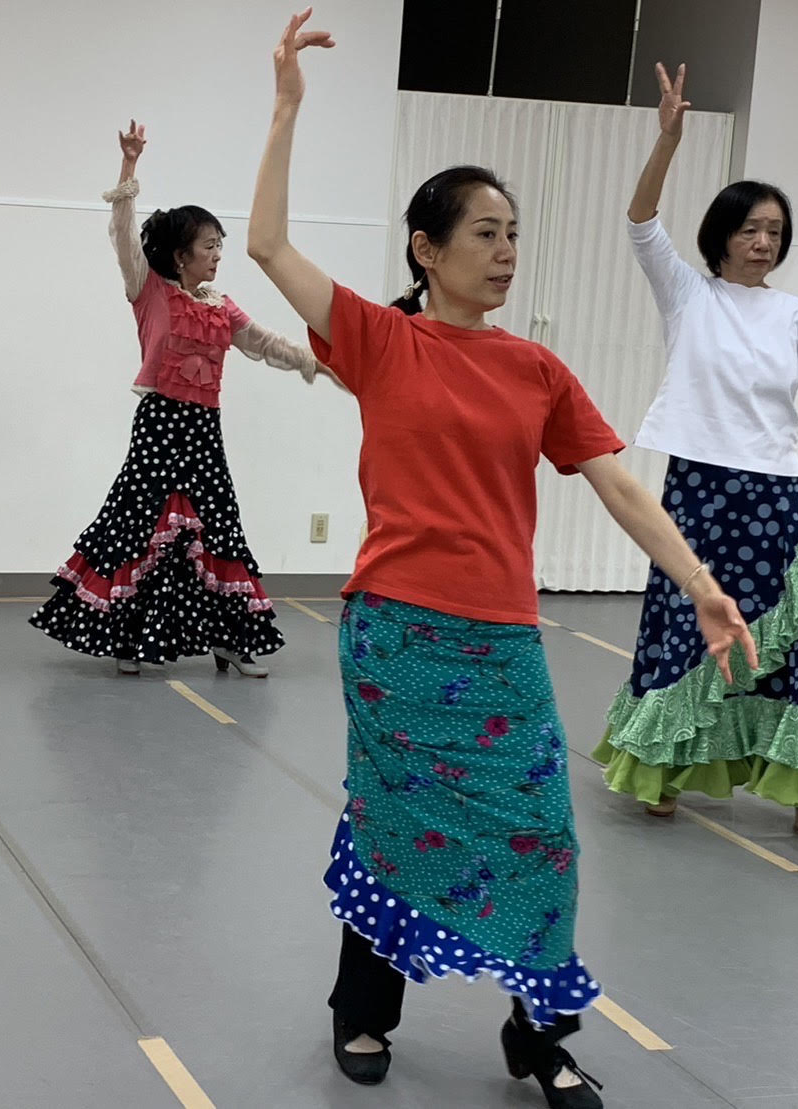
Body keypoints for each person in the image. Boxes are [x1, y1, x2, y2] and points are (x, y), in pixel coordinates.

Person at [244, 12, 757, 1107]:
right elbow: (269, 249)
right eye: (485, 232)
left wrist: (701, 585)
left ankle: (540, 1035)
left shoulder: (536, 369)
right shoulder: (381, 339)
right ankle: (362, 1009)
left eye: (514, 233)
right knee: (393, 820)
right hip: (397, 631)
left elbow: (619, 482)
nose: (506, 250)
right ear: (426, 250)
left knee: (542, 837)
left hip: (502, 637)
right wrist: (286, 111)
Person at [592, 62, 798, 839]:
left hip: (774, 500)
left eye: (773, 230)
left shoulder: (797, 315)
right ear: (722, 236)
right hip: (695, 492)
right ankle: (664, 770)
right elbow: (639, 220)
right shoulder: (687, 293)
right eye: (749, 228)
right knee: (681, 623)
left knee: (788, 637)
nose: (763, 241)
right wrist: (666, 141)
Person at [29, 119, 328, 677]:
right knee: (142, 525)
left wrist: (318, 361)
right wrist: (129, 167)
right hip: (160, 422)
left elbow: (262, 342)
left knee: (217, 526)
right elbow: (123, 235)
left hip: (204, 429)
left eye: (219, 246)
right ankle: (127, 637)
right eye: (209, 246)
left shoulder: (220, 305)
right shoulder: (148, 289)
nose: (217, 255)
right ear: (181, 254)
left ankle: (229, 640)